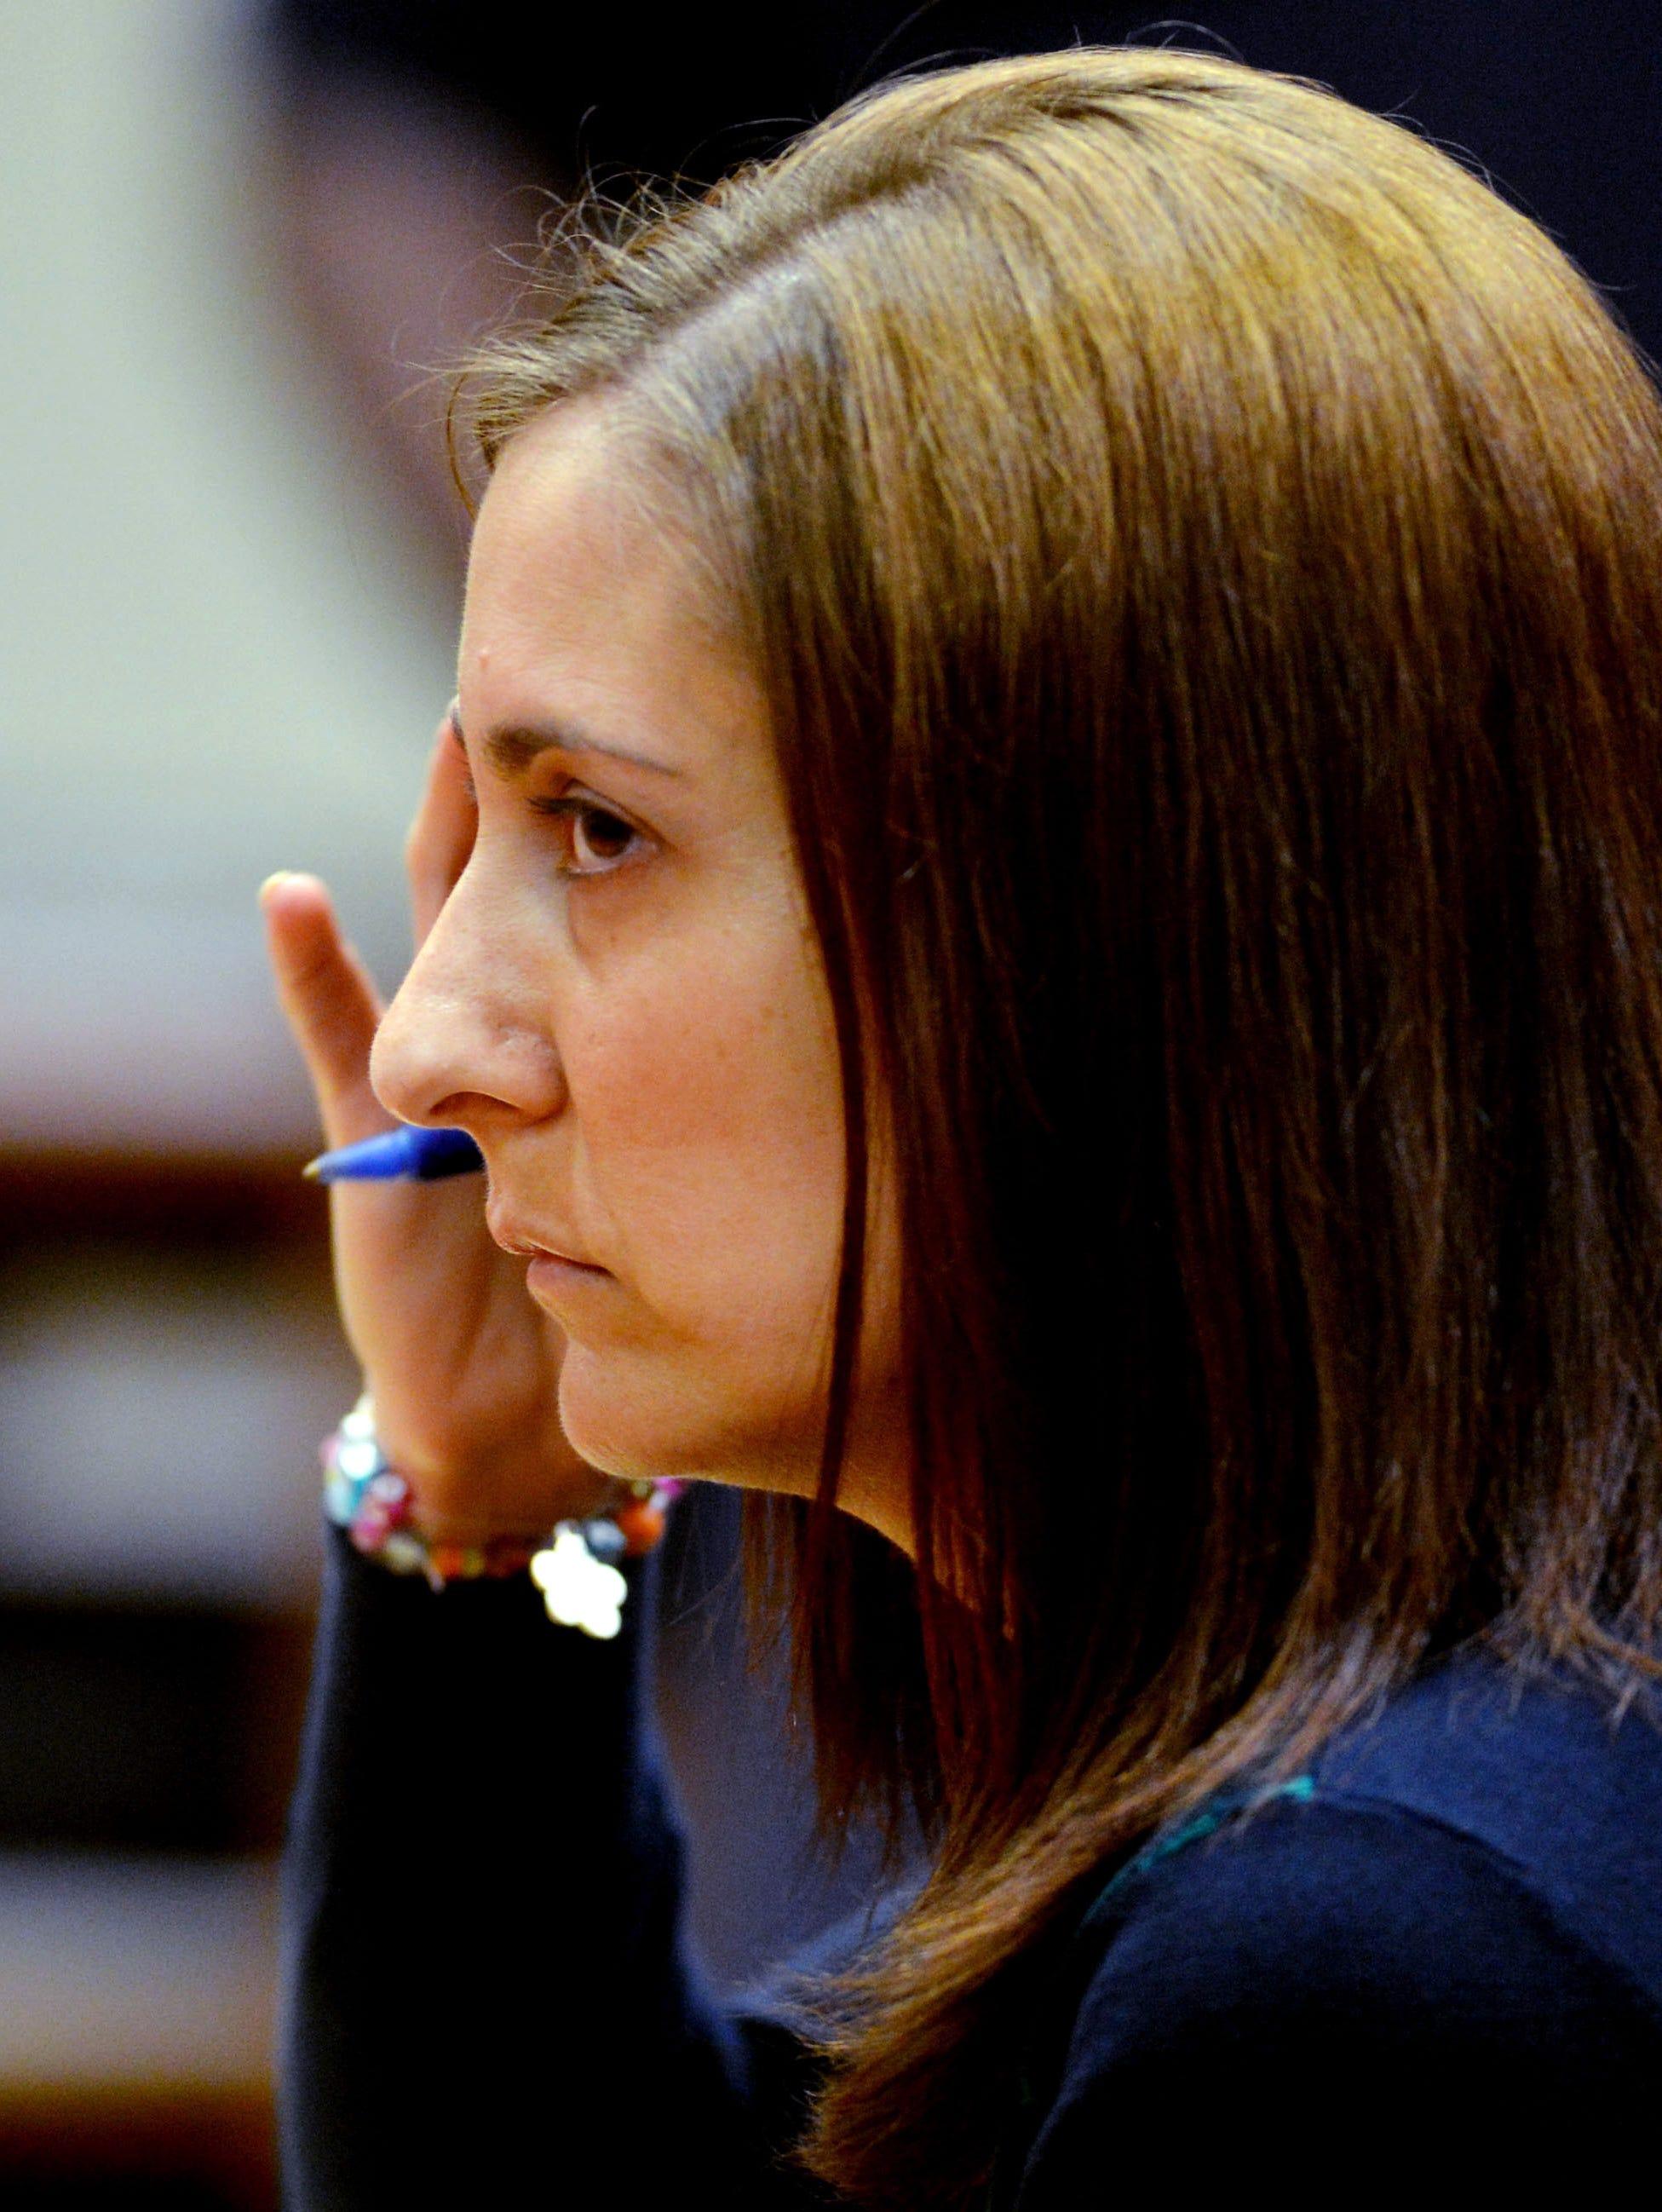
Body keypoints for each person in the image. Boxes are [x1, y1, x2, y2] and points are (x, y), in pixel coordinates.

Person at [261, 44, 1662, 2209]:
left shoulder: (1366, 1986)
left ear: (1098, 914)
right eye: (483, 836)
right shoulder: (1357, 1797)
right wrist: (486, 1512)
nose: (434, 1038)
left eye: (600, 831)